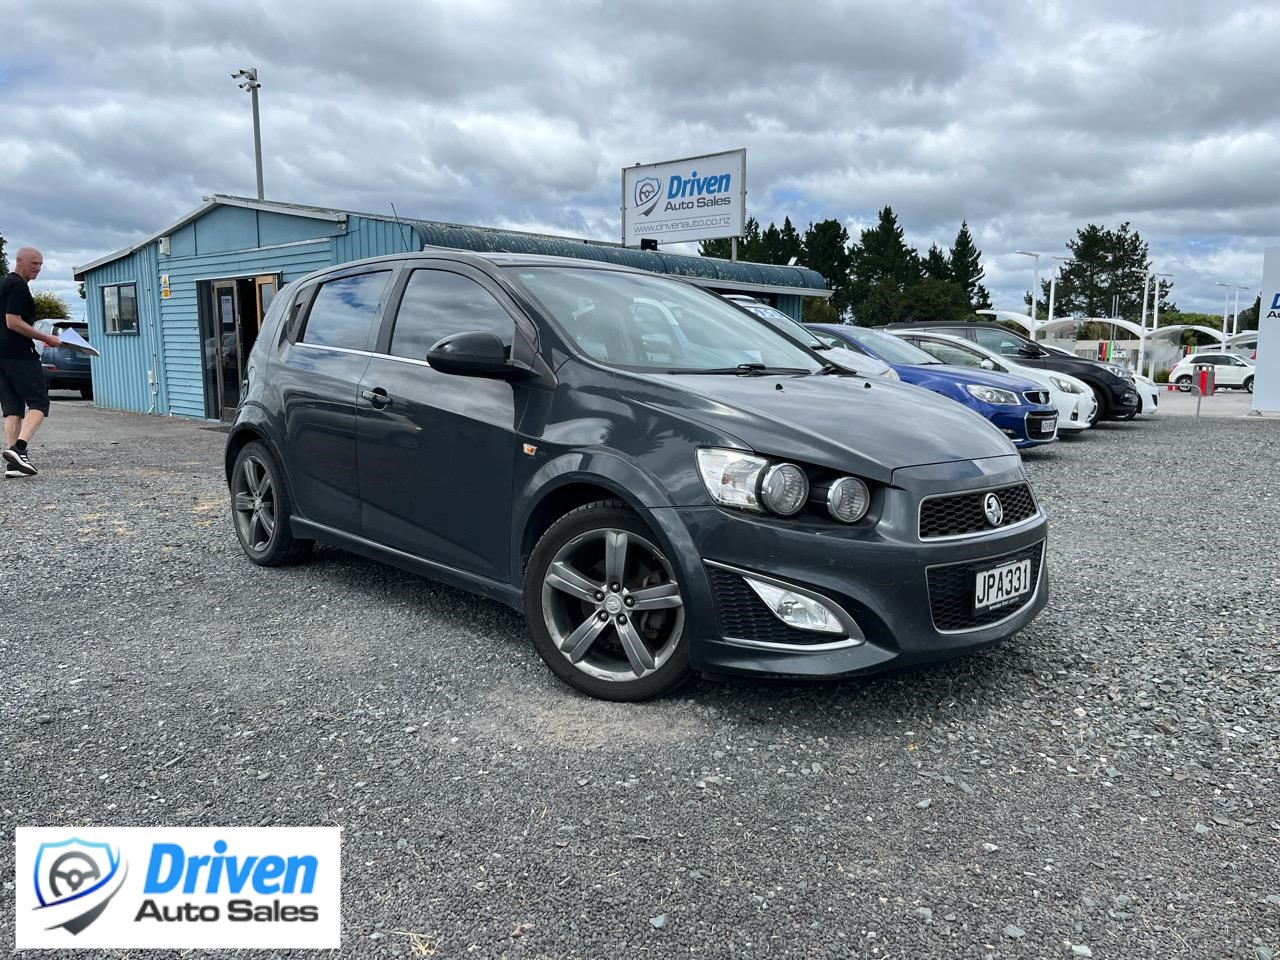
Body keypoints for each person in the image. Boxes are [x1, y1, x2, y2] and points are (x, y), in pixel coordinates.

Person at [1, 247, 60, 477]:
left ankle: (14, 464)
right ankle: (20, 449)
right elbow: (13, 322)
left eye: (41, 264)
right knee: (39, 403)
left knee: (13, 409)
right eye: (34, 263)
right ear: (19, 261)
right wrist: (47, 338)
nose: (38, 268)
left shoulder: (2, 284)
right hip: (19, 354)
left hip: (2, 355)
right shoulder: (17, 286)